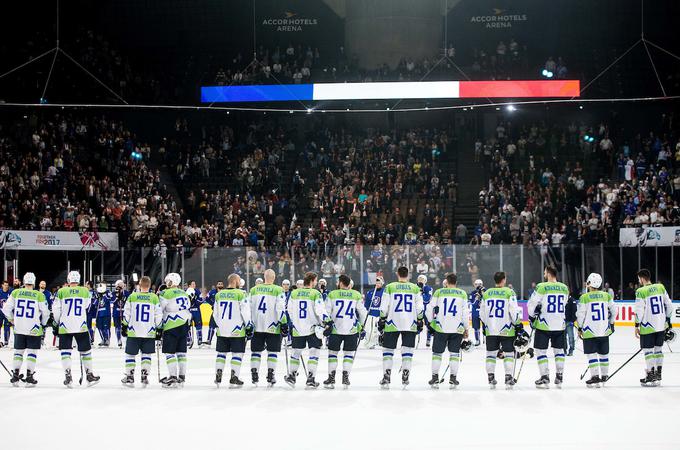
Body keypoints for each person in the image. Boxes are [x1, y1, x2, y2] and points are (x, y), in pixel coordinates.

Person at [378, 266, 424, 388]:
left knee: (388, 351)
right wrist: (420, 320)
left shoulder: (390, 287)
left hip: (392, 322)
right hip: (410, 323)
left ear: (397, 274)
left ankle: (386, 376)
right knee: (408, 351)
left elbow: (383, 307)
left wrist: (382, 319)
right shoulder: (415, 288)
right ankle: (406, 375)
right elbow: (420, 308)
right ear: (408, 275)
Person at [53, 271, 100, 387]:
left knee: (65, 351)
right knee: (86, 351)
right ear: (78, 280)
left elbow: (56, 309)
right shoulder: (84, 290)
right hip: (80, 325)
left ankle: (68, 375)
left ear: (69, 280)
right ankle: (89, 375)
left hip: (65, 325)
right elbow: (86, 306)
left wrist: (58, 322)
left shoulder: (61, 291)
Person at [284, 271, 331, 389]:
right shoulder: (315, 293)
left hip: (298, 328)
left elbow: (289, 310)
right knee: (314, 353)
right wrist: (327, 321)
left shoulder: (294, 293)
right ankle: (311, 378)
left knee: (295, 353)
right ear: (312, 280)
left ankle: (292, 376)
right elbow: (320, 310)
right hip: (313, 329)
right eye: (316, 280)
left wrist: (295, 323)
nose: (316, 283)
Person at [2, 272, 50, 386]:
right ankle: (29, 376)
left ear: (24, 281)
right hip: (33, 328)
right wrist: (43, 324)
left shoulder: (15, 292)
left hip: (19, 327)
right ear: (33, 282)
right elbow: (46, 312)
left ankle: (15, 375)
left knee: (18, 352)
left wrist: (11, 320)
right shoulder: (39, 295)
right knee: (32, 353)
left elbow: (5, 309)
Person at [527, 266, 569, 388]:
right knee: (559, 351)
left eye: (545, 272)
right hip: (560, 325)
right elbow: (564, 303)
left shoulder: (542, 286)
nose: (544, 274)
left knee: (541, 352)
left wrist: (532, 316)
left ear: (549, 274)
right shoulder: (564, 288)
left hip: (544, 324)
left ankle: (545, 376)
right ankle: (559, 375)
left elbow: (532, 304)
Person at [323, 274, 367, 389]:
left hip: (335, 330)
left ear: (341, 283)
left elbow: (326, 312)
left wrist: (327, 325)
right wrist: (362, 327)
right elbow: (363, 313)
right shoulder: (356, 294)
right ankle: (345, 376)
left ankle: (331, 378)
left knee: (333, 354)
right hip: (351, 330)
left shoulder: (332, 294)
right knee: (348, 354)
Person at [426, 273, 470, 388]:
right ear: (456, 282)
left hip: (441, 327)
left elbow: (429, 308)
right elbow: (465, 313)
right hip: (457, 329)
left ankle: (435, 377)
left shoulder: (439, 292)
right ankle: (453, 378)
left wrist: (430, 322)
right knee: (454, 354)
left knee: (437, 354)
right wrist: (466, 328)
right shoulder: (462, 293)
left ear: (447, 281)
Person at [480, 271, 522, 389]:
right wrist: (518, 324)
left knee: (490, 355)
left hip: (491, 329)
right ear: (504, 280)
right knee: (509, 354)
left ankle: (491, 377)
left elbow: (482, 314)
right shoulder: (509, 292)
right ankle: (508, 377)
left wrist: (487, 324)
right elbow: (513, 310)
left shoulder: (487, 293)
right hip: (507, 329)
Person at [576, 273, 616, 388]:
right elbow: (614, 310)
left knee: (591, 354)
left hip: (589, 331)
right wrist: (611, 323)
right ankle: (604, 376)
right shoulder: (606, 295)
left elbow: (580, 315)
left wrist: (579, 327)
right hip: (604, 330)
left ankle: (595, 376)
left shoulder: (584, 297)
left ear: (589, 283)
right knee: (604, 354)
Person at [121, 276, 162, 387]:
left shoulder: (132, 296)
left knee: (130, 355)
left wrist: (124, 325)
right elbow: (158, 315)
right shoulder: (154, 297)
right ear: (149, 285)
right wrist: (159, 328)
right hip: (149, 332)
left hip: (134, 331)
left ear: (140, 284)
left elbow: (126, 313)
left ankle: (130, 377)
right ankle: (144, 376)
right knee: (146, 354)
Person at [634, 269, 673, 386]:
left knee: (648, 351)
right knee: (658, 350)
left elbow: (639, 311)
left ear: (641, 278)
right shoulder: (660, 287)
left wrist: (636, 325)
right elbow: (669, 305)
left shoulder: (641, 291)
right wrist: (667, 320)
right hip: (661, 325)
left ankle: (651, 374)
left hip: (647, 326)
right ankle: (658, 374)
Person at [213, 273, 253, 388]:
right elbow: (245, 312)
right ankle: (234, 377)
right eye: (239, 280)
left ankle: (218, 374)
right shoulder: (241, 294)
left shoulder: (219, 294)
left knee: (221, 353)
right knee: (237, 353)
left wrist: (220, 325)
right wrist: (248, 326)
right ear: (235, 281)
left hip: (222, 330)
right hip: (237, 329)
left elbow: (215, 314)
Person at [248, 269, 286, 386]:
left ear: (264, 277)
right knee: (272, 352)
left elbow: (248, 308)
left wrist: (249, 324)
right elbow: (280, 308)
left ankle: (254, 374)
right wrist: (283, 322)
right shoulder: (279, 290)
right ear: (274, 278)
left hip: (257, 326)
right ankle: (271, 374)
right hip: (272, 326)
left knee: (256, 352)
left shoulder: (253, 290)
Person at [158, 272, 191, 388]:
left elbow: (159, 309)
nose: (167, 283)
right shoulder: (184, 293)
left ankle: (172, 376)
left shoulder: (166, 293)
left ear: (173, 282)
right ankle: (182, 377)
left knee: (169, 352)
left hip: (171, 325)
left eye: (168, 281)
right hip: (184, 324)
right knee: (181, 352)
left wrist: (158, 326)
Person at [363, 276, 384, 349]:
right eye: (376, 282)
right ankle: (369, 343)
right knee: (370, 329)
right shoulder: (370, 292)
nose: (377, 284)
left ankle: (379, 341)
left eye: (379, 282)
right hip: (372, 313)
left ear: (382, 283)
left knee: (378, 329)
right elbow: (366, 305)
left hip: (381, 314)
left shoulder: (384, 292)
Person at [204, 281, 223, 346]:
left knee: (222, 327)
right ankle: (209, 340)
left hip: (223, 313)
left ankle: (221, 341)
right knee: (211, 326)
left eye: (221, 284)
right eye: (219, 284)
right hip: (215, 312)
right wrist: (212, 304)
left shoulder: (224, 292)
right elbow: (207, 299)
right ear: (216, 285)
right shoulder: (212, 292)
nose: (220, 285)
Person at [186, 280, 203, 348]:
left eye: (194, 284)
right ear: (189, 285)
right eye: (193, 284)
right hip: (188, 312)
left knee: (199, 325)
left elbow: (201, 300)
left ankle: (200, 340)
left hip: (196, 311)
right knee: (187, 326)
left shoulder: (198, 291)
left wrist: (195, 300)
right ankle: (188, 339)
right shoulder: (186, 292)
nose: (194, 285)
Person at [111, 280, 129, 348]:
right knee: (117, 327)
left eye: (122, 284)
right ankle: (119, 340)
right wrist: (117, 297)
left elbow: (129, 302)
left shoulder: (127, 293)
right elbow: (112, 301)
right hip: (116, 313)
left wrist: (124, 299)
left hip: (125, 313)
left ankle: (126, 340)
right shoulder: (113, 293)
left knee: (125, 327)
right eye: (119, 285)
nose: (121, 286)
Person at [417, 274, 433, 347]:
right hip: (417, 309)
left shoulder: (428, 288)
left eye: (422, 279)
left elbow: (426, 300)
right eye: (419, 278)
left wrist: (420, 293)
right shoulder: (414, 287)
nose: (420, 280)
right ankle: (415, 338)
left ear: (425, 280)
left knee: (429, 325)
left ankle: (428, 338)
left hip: (426, 310)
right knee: (417, 324)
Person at [468, 279, 484, 346]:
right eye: (476, 284)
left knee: (486, 327)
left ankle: (485, 339)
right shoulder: (472, 293)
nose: (478, 286)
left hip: (483, 312)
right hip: (475, 312)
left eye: (479, 284)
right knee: (476, 327)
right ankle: (477, 340)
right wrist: (476, 299)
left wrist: (482, 295)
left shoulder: (485, 292)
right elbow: (472, 303)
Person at [0, 280, 12, 346]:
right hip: (0, 312)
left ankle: (6, 341)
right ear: (2, 285)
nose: (6, 286)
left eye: (7, 285)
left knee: (7, 327)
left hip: (7, 313)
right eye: (5, 285)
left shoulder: (10, 292)